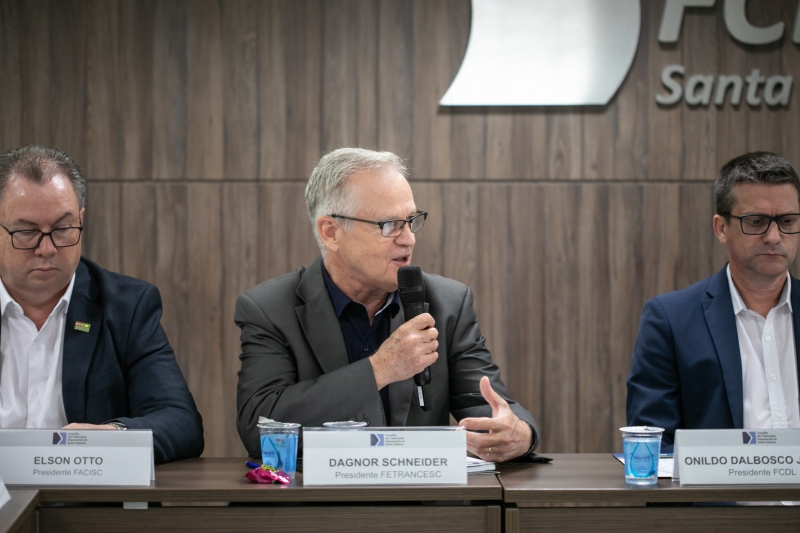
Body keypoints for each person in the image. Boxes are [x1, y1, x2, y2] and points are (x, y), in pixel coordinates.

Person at [236, 148, 538, 462]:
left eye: (411, 221)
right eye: (390, 225)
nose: (409, 239)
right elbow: (261, 428)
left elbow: (493, 410)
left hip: (421, 506)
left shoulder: (447, 303)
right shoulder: (269, 310)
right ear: (331, 233)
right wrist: (379, 370)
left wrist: (521, 433)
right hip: (321, 506)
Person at [0, 146, 203, 464]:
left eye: (63, 229)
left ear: (81, 221)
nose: (47, 248)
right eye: (26, 232)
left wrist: (115, 436)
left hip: (86, 504)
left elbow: (181, 422)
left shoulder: (126, 307)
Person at [627, 151, 800, 450]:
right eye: (756, 221)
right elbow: (655, 444)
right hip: (718, 498)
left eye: (787, 220)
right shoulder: (670, 320)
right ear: (721, 228)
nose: (774, 236)